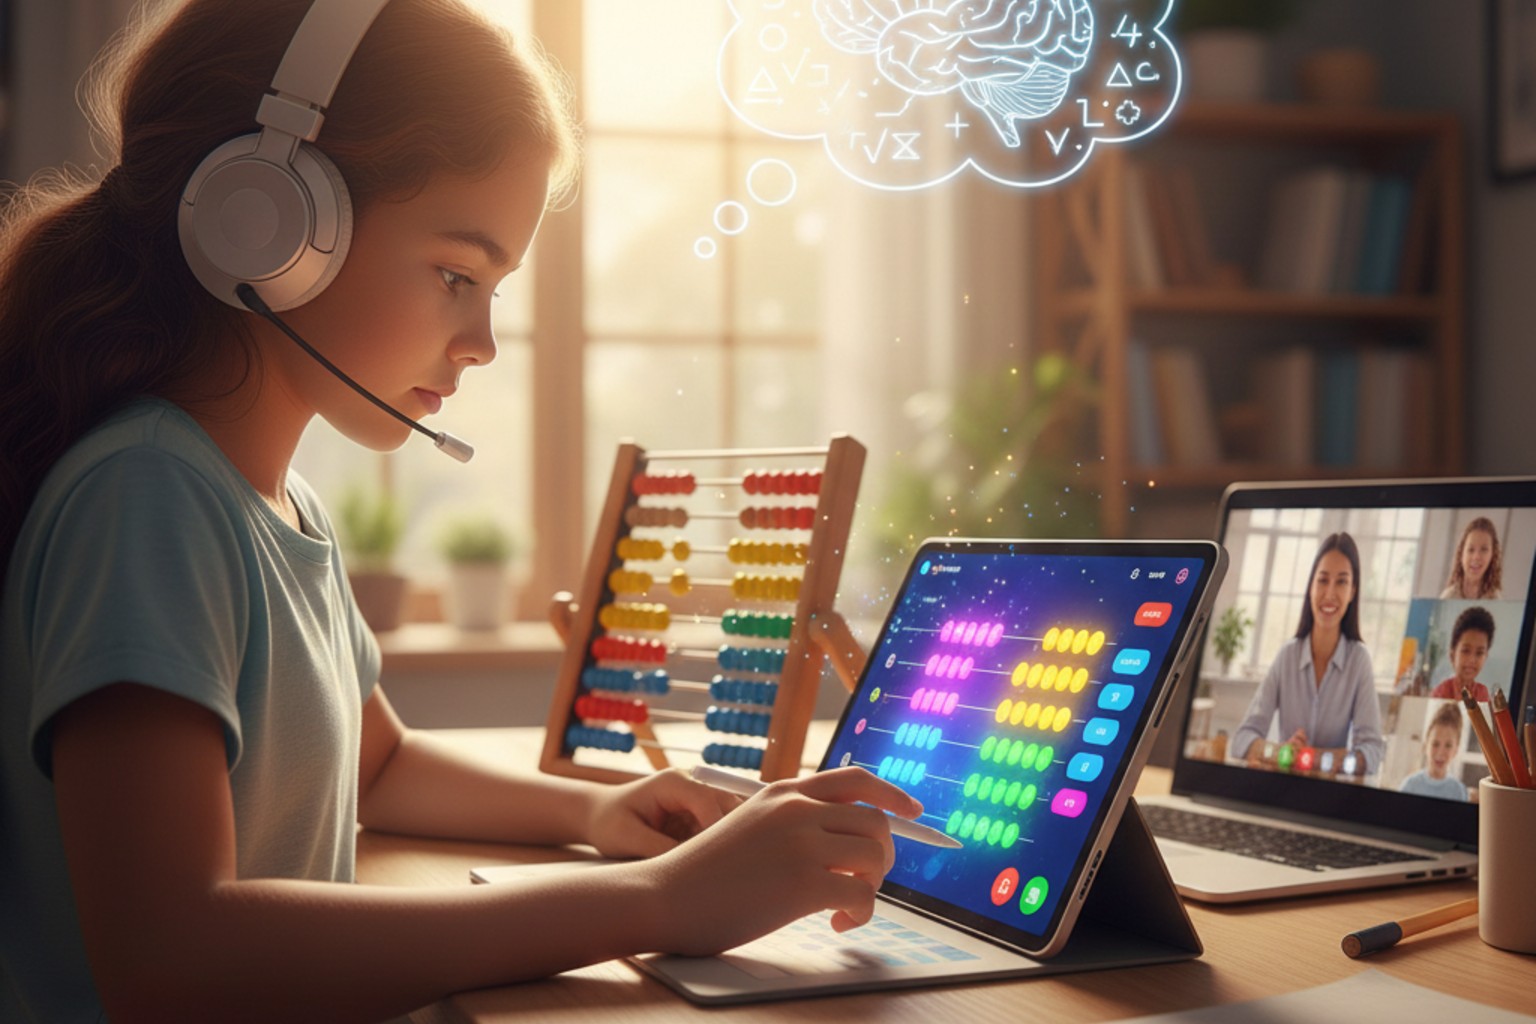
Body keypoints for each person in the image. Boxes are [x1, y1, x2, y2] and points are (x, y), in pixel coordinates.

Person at [0, 3, 920, 1021]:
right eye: (456, 275)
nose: (481, 341)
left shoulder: (273, 503)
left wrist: (601, 813)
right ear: (269, 220)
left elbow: (381, 765)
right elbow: (171, 960)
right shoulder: (148, 498)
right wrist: (660, 901)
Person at [1232, 532, 1385, 776]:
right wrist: (1282, 753)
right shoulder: (1287, 656)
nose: (1330, 593)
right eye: (1322, 580)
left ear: (1353, 591)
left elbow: (1372, 752)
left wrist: (1311, 758)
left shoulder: (1359, 661)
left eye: (1341, 582)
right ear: (1311, 586)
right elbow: (1242, 739)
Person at [1397, 702, 1469, 801]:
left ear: (1456, 750)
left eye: (1448, 745)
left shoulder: (1459, 792)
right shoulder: (1409, 786)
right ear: (1425, 745)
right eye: (1435, 744)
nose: (1440, 752)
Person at [1429, 606, 1496, 702]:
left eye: (1479, 653)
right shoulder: (1440, 694)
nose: (1472, 659)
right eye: (1466, 651)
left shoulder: (1483, 693)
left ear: (1486, 657)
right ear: (1452, 655)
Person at [1440, 516, 1504, 600]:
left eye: (1484, 550)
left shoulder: (1496, 600)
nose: (1476, 557)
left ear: (1493, 555)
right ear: (1461, 553)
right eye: (1471, 549)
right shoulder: (1448, 598)